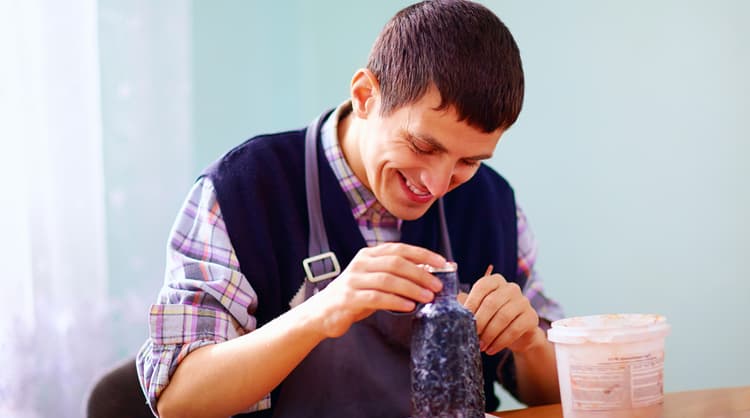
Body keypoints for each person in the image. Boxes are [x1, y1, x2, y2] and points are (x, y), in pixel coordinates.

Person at [136, 1, 564, 417]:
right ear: (364, 96)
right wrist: (320, 313)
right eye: (421, 145)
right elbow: (179, 397)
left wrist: (529, 343)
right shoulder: (241, 191)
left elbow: (556, 394)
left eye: (468, 161)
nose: (437, 184)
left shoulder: (492, 204)